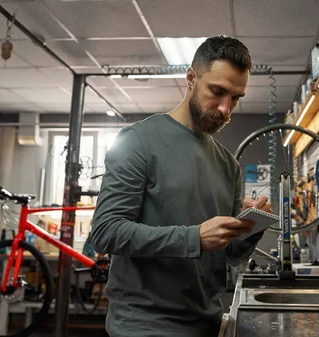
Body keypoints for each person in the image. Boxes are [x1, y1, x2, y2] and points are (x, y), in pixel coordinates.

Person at [90, 36, 272, 337]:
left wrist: (252, 227)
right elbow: (106, 233)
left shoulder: (228, 165)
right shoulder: (137, 141)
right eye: (217, 92)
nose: (225, 109)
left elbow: (230, 254)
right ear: (191, 77)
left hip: (206, 324)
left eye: (236, 98)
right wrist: (194, 238)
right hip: (144, 327)